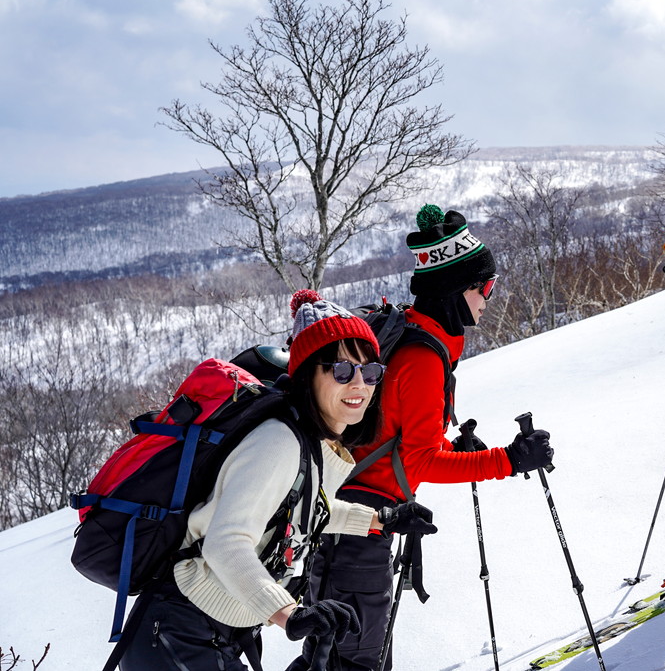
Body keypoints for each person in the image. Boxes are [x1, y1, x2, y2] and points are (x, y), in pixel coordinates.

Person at [296, 204, 554, 671]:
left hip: (356, 516)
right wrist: (507, 460)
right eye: (486, 287)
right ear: (458, 290)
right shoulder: (422, 358)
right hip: (358, 524)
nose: (487, 299)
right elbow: (421, 460)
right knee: (351, 662)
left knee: (334, 655)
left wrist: (458, 451)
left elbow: (396, 443)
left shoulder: (417, 338)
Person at [119, 290, 435, 671]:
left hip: (221, 630)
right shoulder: (278, 441)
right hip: (179, 631)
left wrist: (380, 519)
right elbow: (225, 544)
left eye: (370, 371)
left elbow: (306, 511)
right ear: (308, 374)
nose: (360, 384)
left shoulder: (312, 441)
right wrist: (290, 614)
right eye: (341, 370)